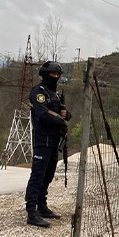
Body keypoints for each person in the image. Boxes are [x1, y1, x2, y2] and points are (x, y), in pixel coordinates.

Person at [24, 61, 71, 228]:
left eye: (58, 75)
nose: (56, 77)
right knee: (37, 175)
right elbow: (42, 114)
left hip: (54, 139)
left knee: (49, 174)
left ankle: (42, 205)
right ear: (45, 74)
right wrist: (60, 120)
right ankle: (31, 211)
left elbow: (59, 112)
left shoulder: (55, 94)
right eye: (53, 74)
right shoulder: (39, 92)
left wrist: (66, 114)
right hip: (42, 138)